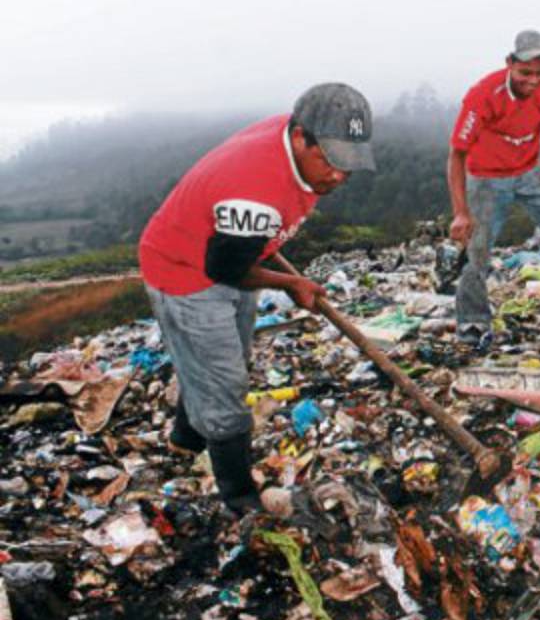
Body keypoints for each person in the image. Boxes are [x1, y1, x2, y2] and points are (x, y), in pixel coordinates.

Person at [139, 83, 375, 514]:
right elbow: (225, 271)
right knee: (225, 384)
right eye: (330, 161)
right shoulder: (255, 191)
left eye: (349, 165)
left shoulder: (288, 139)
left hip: (231, 249)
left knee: (229, 356)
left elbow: (241, 254)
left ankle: (185, 439)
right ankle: (237, 495)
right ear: (301, 137)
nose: (339, 176)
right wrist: (292, 284)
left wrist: (273, 263)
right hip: (186, 272)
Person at [447, 29, 540, 342]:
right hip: (486, 176)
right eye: (525, 72)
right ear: (510, 62)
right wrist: (460, 212)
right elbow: (456, 154)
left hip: (529, 169)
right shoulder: (483, 94)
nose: (533, 80)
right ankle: (472, 323)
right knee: (477, 250)